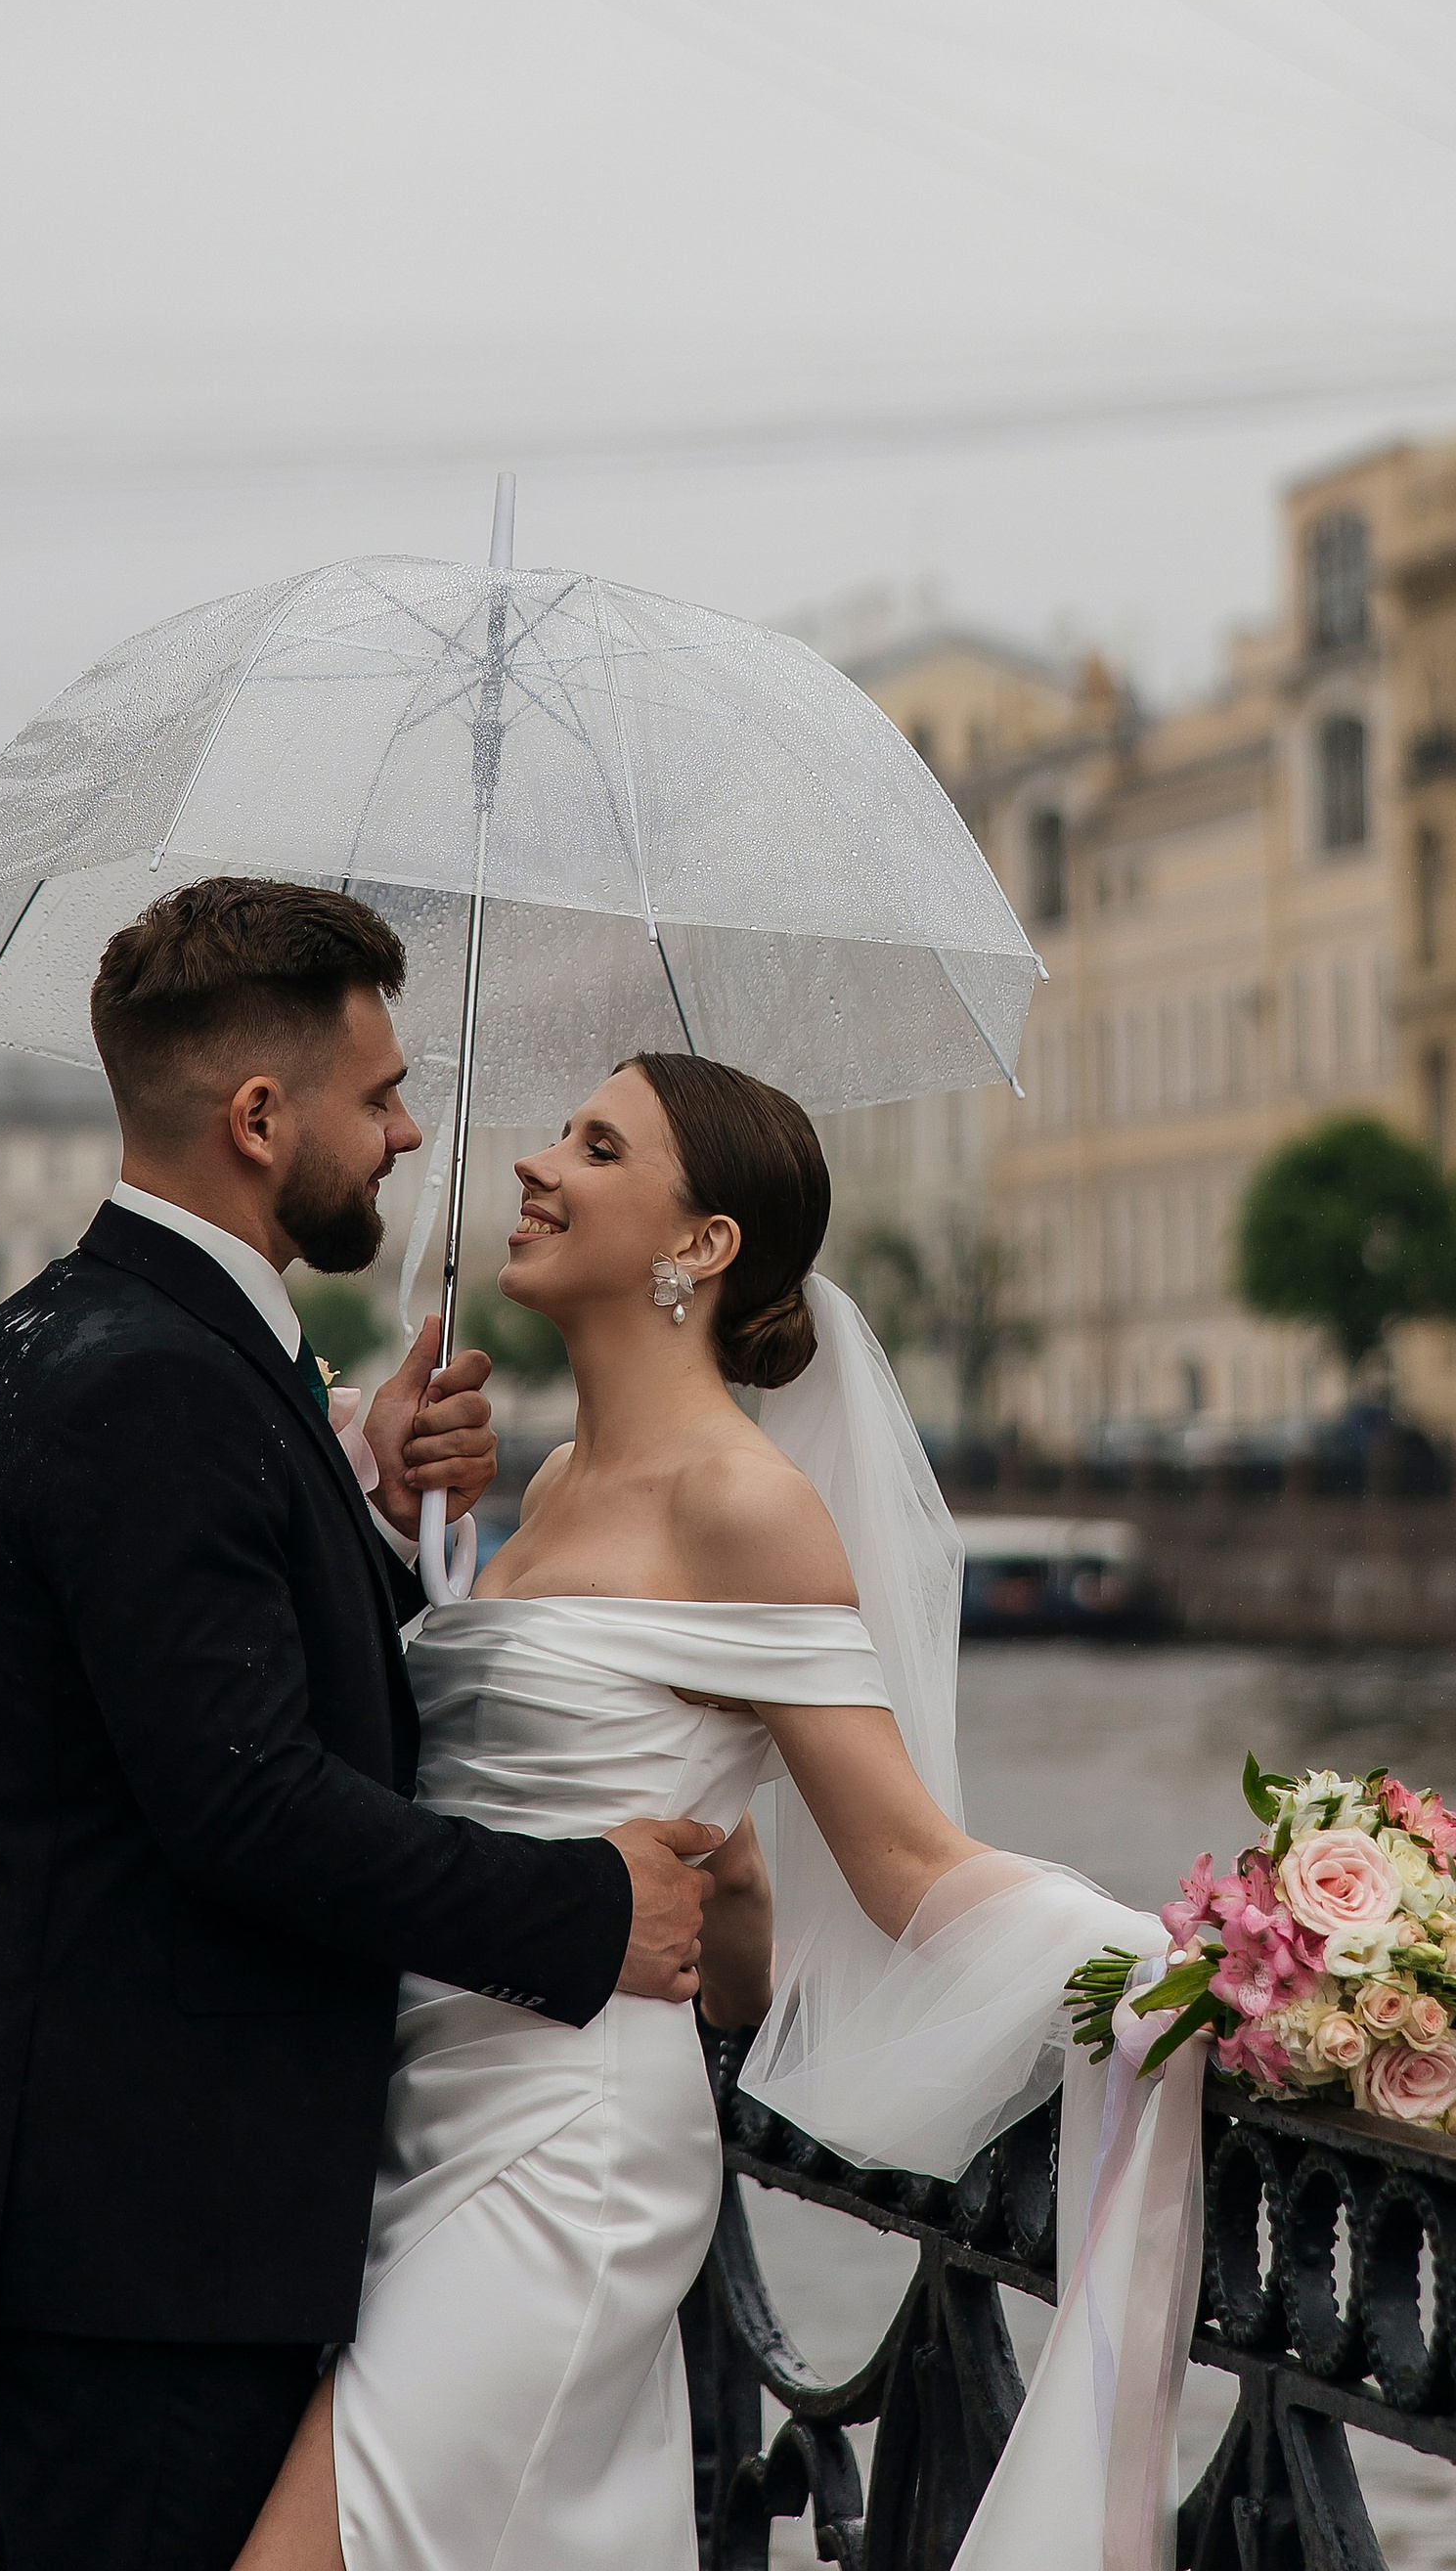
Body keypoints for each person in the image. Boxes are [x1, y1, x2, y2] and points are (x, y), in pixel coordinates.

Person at [0, 881, 722, 2571]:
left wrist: (361, 1510)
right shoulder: (160, 1380)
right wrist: (588, 1906)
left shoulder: (63, 1330)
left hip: (101, 2188)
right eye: (378, 1097)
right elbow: (245, 1804)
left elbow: (164, 1693)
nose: (404, 1136)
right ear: (257, 1118)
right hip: (153, 2215)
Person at [231, 1049, 1201, 2571]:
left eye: (598, 1148)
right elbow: (679, 1864)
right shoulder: (547, 1484)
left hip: (568, 2145)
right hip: (426, 2110)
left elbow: (902, 1861)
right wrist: (383, 1511)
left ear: (704, 1242)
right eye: (561, 1136)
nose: (538, 1164)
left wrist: (1198, 1959)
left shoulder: (741, 1504)